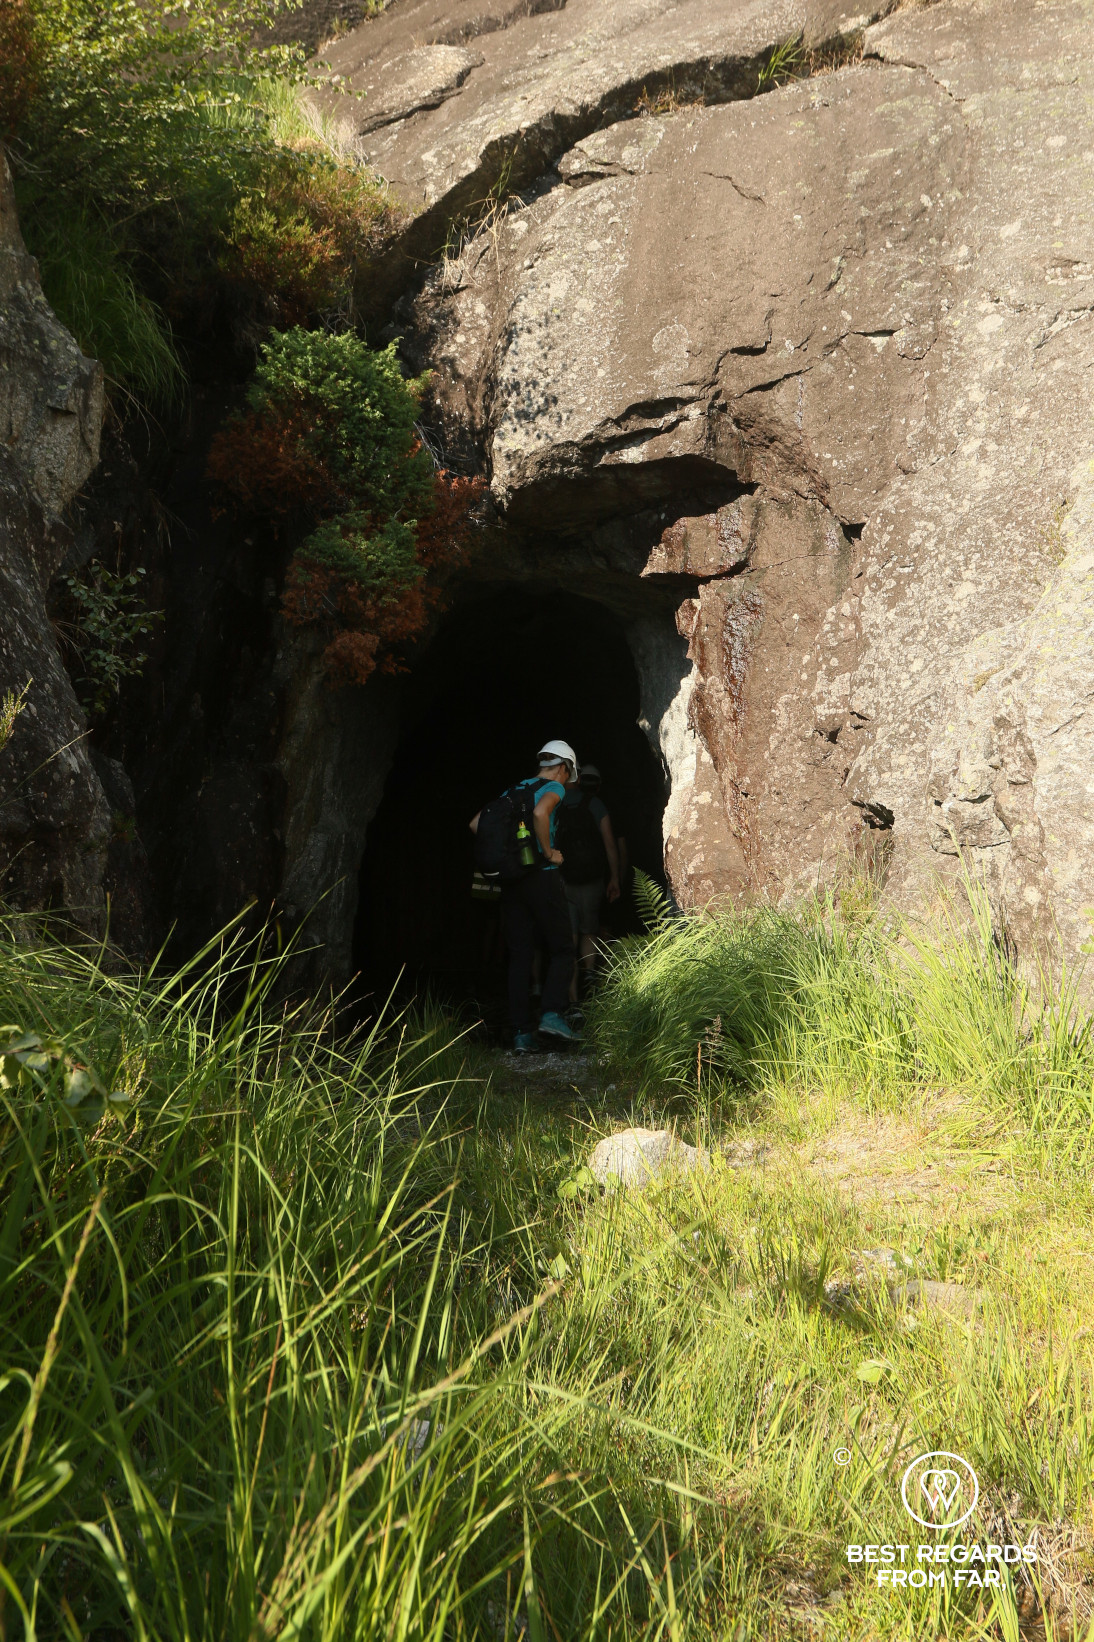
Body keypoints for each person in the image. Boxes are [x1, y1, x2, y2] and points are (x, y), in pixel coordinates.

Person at [470, 740, 580, 1053]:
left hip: (512, 883)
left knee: (520, 956)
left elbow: (477, 823)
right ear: (563, 768)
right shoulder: (553, 788)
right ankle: (552, 1014)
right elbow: (542, 813)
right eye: (567, 773)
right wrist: (547, 852)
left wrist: (511, 856)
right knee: (562, 948)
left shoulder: (513, 790)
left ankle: (521, 1033)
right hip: (542, 879)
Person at [557, 764, 620, 1003]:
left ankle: (572, 1002)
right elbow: (610, 843)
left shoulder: (555, 804)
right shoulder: (595, 804)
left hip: (564, 880)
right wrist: (614, 877)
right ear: (580, 779)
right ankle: (590, 979)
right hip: (592, 880)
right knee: (589, 932)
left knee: (568, 941)